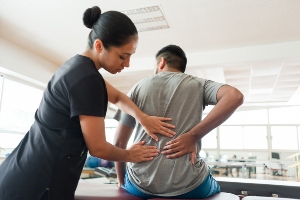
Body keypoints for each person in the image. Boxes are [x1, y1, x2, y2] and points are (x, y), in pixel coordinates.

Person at [0, 6, 176, 200]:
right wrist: (130, 155)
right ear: (99, 46)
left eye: (130, 56)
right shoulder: (86, 79)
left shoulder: (78, 68)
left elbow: (117, 97)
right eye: (123, 56)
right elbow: (98, 148)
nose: (127, 64)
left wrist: (142, 118)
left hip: (22, 170)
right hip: (37, 182)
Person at [113, 45, 244, 198]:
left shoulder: (137, 87)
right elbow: (235, 96)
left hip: (139, 186)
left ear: (161, 62)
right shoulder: (197, 84)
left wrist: (122, 182)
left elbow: (118, 144)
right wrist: (193, 136)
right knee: (215, 186)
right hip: (190, 187)